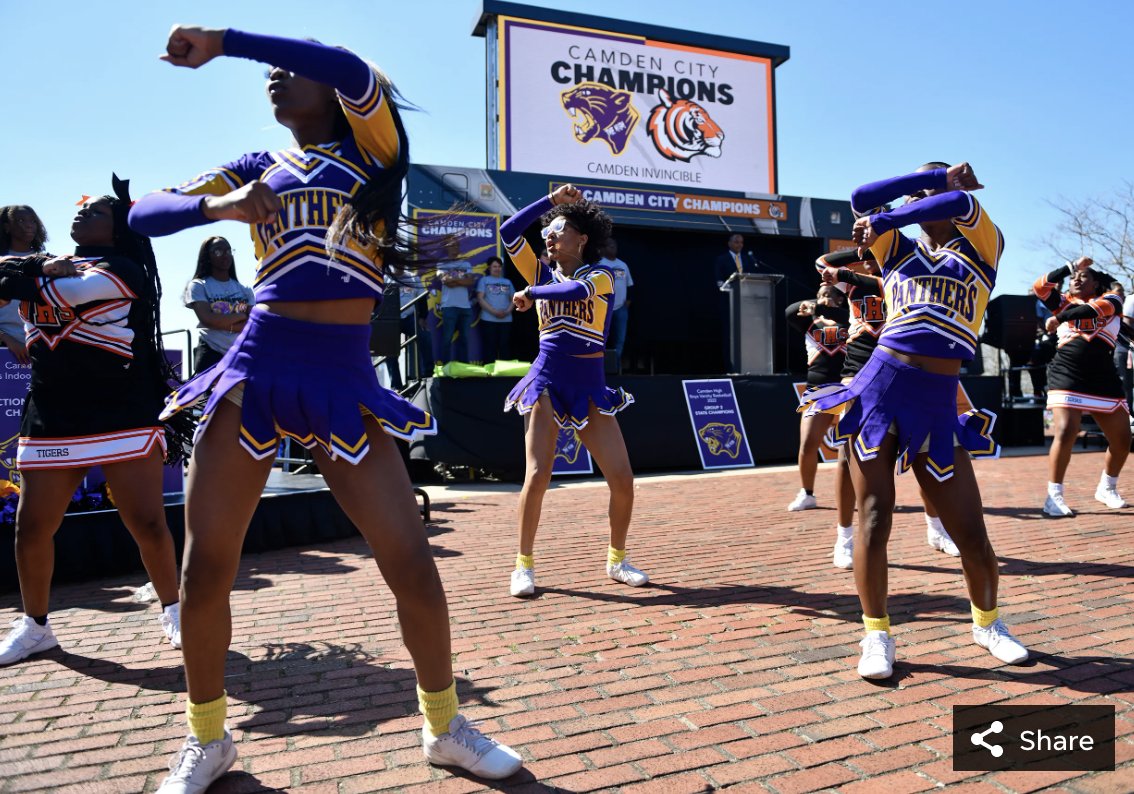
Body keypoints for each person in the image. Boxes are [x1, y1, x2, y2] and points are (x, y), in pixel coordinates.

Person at [128, 26, 522, 790]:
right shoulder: (256, 166)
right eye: (267, 72)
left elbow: (344, 65)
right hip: (254, 374)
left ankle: (444, 727)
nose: (274, 78)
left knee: (411, 562)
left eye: (287, 70)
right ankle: (208, 739)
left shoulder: (373, 149)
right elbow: (145, 212)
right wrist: (223, 208)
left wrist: (228, 41)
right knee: (206, 569)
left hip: (341, 384)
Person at [805, 162, 1027, 680]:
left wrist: (925, 197)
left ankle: (988, 624)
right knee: (875, 516)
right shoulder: (898, 251)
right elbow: (861, 194)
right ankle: (876, 633)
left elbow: (953, 206)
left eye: (933, 190)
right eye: (918, 192)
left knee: (970, 531)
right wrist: (914, 186)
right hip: (879, 392)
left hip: (935, 400)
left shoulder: (984, 245)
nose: (924, 200)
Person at [0, 181, 186, 666]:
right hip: (52, 414)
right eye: (81, 209)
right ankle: (36, 626)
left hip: (118, 410)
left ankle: (175, 610)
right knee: (32, 526)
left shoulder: (124, 269)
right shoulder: (52, 260)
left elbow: (68, 292)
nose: (83, 213)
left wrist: (26, 268)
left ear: (119, 225)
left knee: (146, 522)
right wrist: (35, 265)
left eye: (98, 210)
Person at [500, 184, 645, 598]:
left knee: (622, 478)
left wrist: (530, 292)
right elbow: (510, 232)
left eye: (559, 229)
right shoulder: (540, 271)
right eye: (548, 231)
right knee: (538, 473)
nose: (549, 235)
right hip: (546, 379)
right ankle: (523, 565)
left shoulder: (601, 275)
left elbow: (575, 292)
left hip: (589, 386)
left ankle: (617, 559)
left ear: (582, 238)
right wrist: (549, 203)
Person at [818, 252, 963, 568]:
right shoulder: (854, 285)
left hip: (908, 371)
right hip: (859, 372)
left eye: (879, 248)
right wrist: (860, 252)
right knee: (848, 456)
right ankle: (844, 537)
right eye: (869, 251)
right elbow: (822, 263)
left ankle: (936, 528)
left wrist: (864, 264)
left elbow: (886, 283)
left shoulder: (909, 278)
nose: (872, 255)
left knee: (926, 452)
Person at [1034, 257, 1130, 515]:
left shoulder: (1113, 301)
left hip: (1103, 378)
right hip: (1067, 372)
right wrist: (1069, 266)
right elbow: (1040, 288)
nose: (1076, 279)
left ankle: (1106, 487)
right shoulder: (1064, 300)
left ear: (1097, 282)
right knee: (1066, 430)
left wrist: (1059, 318)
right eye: (1073, 276)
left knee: (1123, 440)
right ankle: (1054, 496)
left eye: (1083, 276)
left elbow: (1092, 311)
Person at [785, 285, 848, 514]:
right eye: (820, 295)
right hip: (819, 389)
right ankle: (807, 493)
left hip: (848, 387)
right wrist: (814, 305)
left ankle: (861, 491)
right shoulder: (809, 322)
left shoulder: (850, 319)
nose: (822, 299)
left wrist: (830, 308)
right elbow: (790, 312)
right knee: (808, 443)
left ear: (841, 299)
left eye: (828, 295)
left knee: (852, 449)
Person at [183, 236, 255, 374]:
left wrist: (221, 322)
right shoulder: (198, 286)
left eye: (228, 251)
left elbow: (252, 324)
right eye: (218, 251)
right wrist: (240, 315)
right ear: (207, 256)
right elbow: (207, 319)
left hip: (240, 355)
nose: (225, 255)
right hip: (211, 354)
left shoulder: (245, 290)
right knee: (210, 396)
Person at [0, 205, 48, 365]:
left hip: (42, 347)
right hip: (5, 348)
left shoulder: (49, 262)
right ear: (6, 227)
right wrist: (7, 340)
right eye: (20, 220)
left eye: (33, 221)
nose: (29, 225)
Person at [437, 239, 476, 366]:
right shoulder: (441, 264)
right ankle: (446, 367)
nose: (454, 248)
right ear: (447, 247)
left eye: (456, 245)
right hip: (449, 306)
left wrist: (454, 280)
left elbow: (470, 282)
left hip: (465, 307)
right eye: (451, 245)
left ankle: (463, 367)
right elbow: (444, 280)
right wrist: (461, 278)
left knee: (464, 339)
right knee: (447, 339)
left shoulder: (466, 264)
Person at [598, 238, 633, 365]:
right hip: (603, 308)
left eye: (615, 245)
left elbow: (630, 285)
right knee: (601, 338)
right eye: (610, 245)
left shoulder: (623, 265)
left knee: (620, 340)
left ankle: (615, 366)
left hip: (620, 308)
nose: (613, 247)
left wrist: (628, 301)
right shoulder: (600, 263)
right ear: (603, 248)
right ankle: (600, 367)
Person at [475, 256, 514, 364]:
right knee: (489, 347)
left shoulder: (507, 282)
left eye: (499, 266)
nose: (497, 268)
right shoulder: (484, 280)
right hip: (488, 319)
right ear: (489, 268)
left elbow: (514, 299)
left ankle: (505, 373)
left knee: (504, 346)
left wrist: (506, 312)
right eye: (494, 266)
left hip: (506, 320)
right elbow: (480, 298)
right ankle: (488, 374)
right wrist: (494, 312)